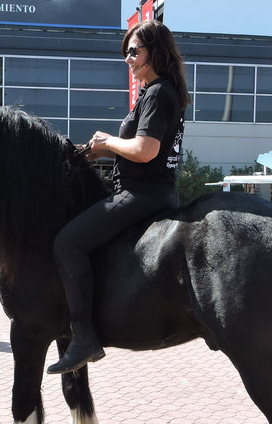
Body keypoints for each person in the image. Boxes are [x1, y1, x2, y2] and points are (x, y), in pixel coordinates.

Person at [48, 19, 188, 374]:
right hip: (152, 190)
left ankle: (83, 337)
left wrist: (108, 141)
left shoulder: (157, 92)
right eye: (126, 51)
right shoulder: (159, 91)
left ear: (154, 52)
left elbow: (144, 150)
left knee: (67, 243)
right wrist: (101, 152)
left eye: (133, 51)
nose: (127, 58)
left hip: (142, 193)